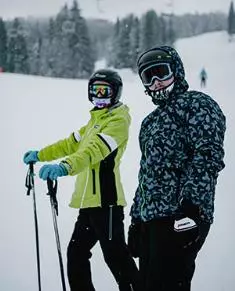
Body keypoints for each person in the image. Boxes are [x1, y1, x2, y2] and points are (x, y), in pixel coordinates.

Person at [23, 69, 140, 291]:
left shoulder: (118, 121)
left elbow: (92, 152)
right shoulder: (94, 122)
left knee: (115, 256)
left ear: (116, 93)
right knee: (76, 254)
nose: (100, 96)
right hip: (88, 204)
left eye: (105, 91)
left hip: (107, 203)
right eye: (95, 91)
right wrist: (40, 155)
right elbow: (69, 144)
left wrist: (64, 167)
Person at [128, 46, 226, 291]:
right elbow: (146, 174)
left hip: (180, 214)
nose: (157, 83)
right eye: (149, 78)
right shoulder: (149, 122)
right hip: (151, 219)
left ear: (177, 71)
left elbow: (207, 155)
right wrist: (136, 219)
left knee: (168, 284)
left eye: (162, 73)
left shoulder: (197, 104)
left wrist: (191, 207)